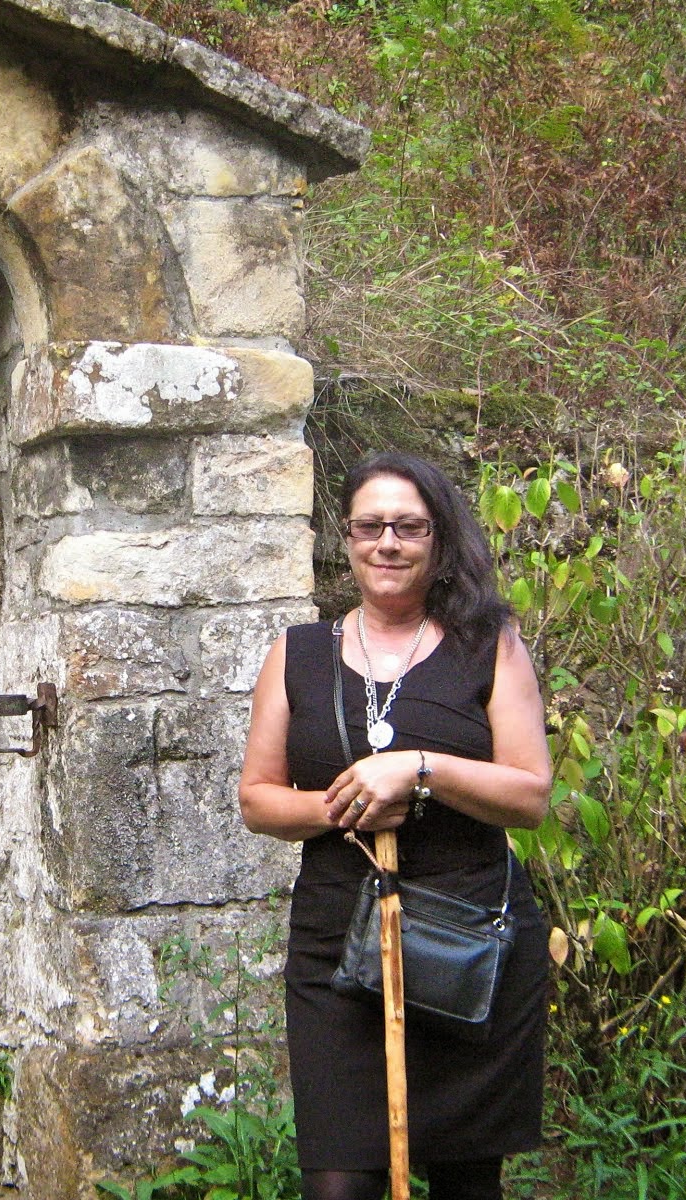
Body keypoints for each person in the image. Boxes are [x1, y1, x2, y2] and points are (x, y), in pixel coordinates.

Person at [238, 451, 553, 1200]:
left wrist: (418, 769)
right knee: (338, 1183)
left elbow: (531, 795)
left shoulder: (489, 647)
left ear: (438, 540)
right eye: (370, 525)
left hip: (466, 938)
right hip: (335, 947)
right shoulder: (299, 654)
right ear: (346, 539)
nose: (388, 542)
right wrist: (339, 805)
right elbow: (257, 798)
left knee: (466, 1184)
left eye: (408, 527)